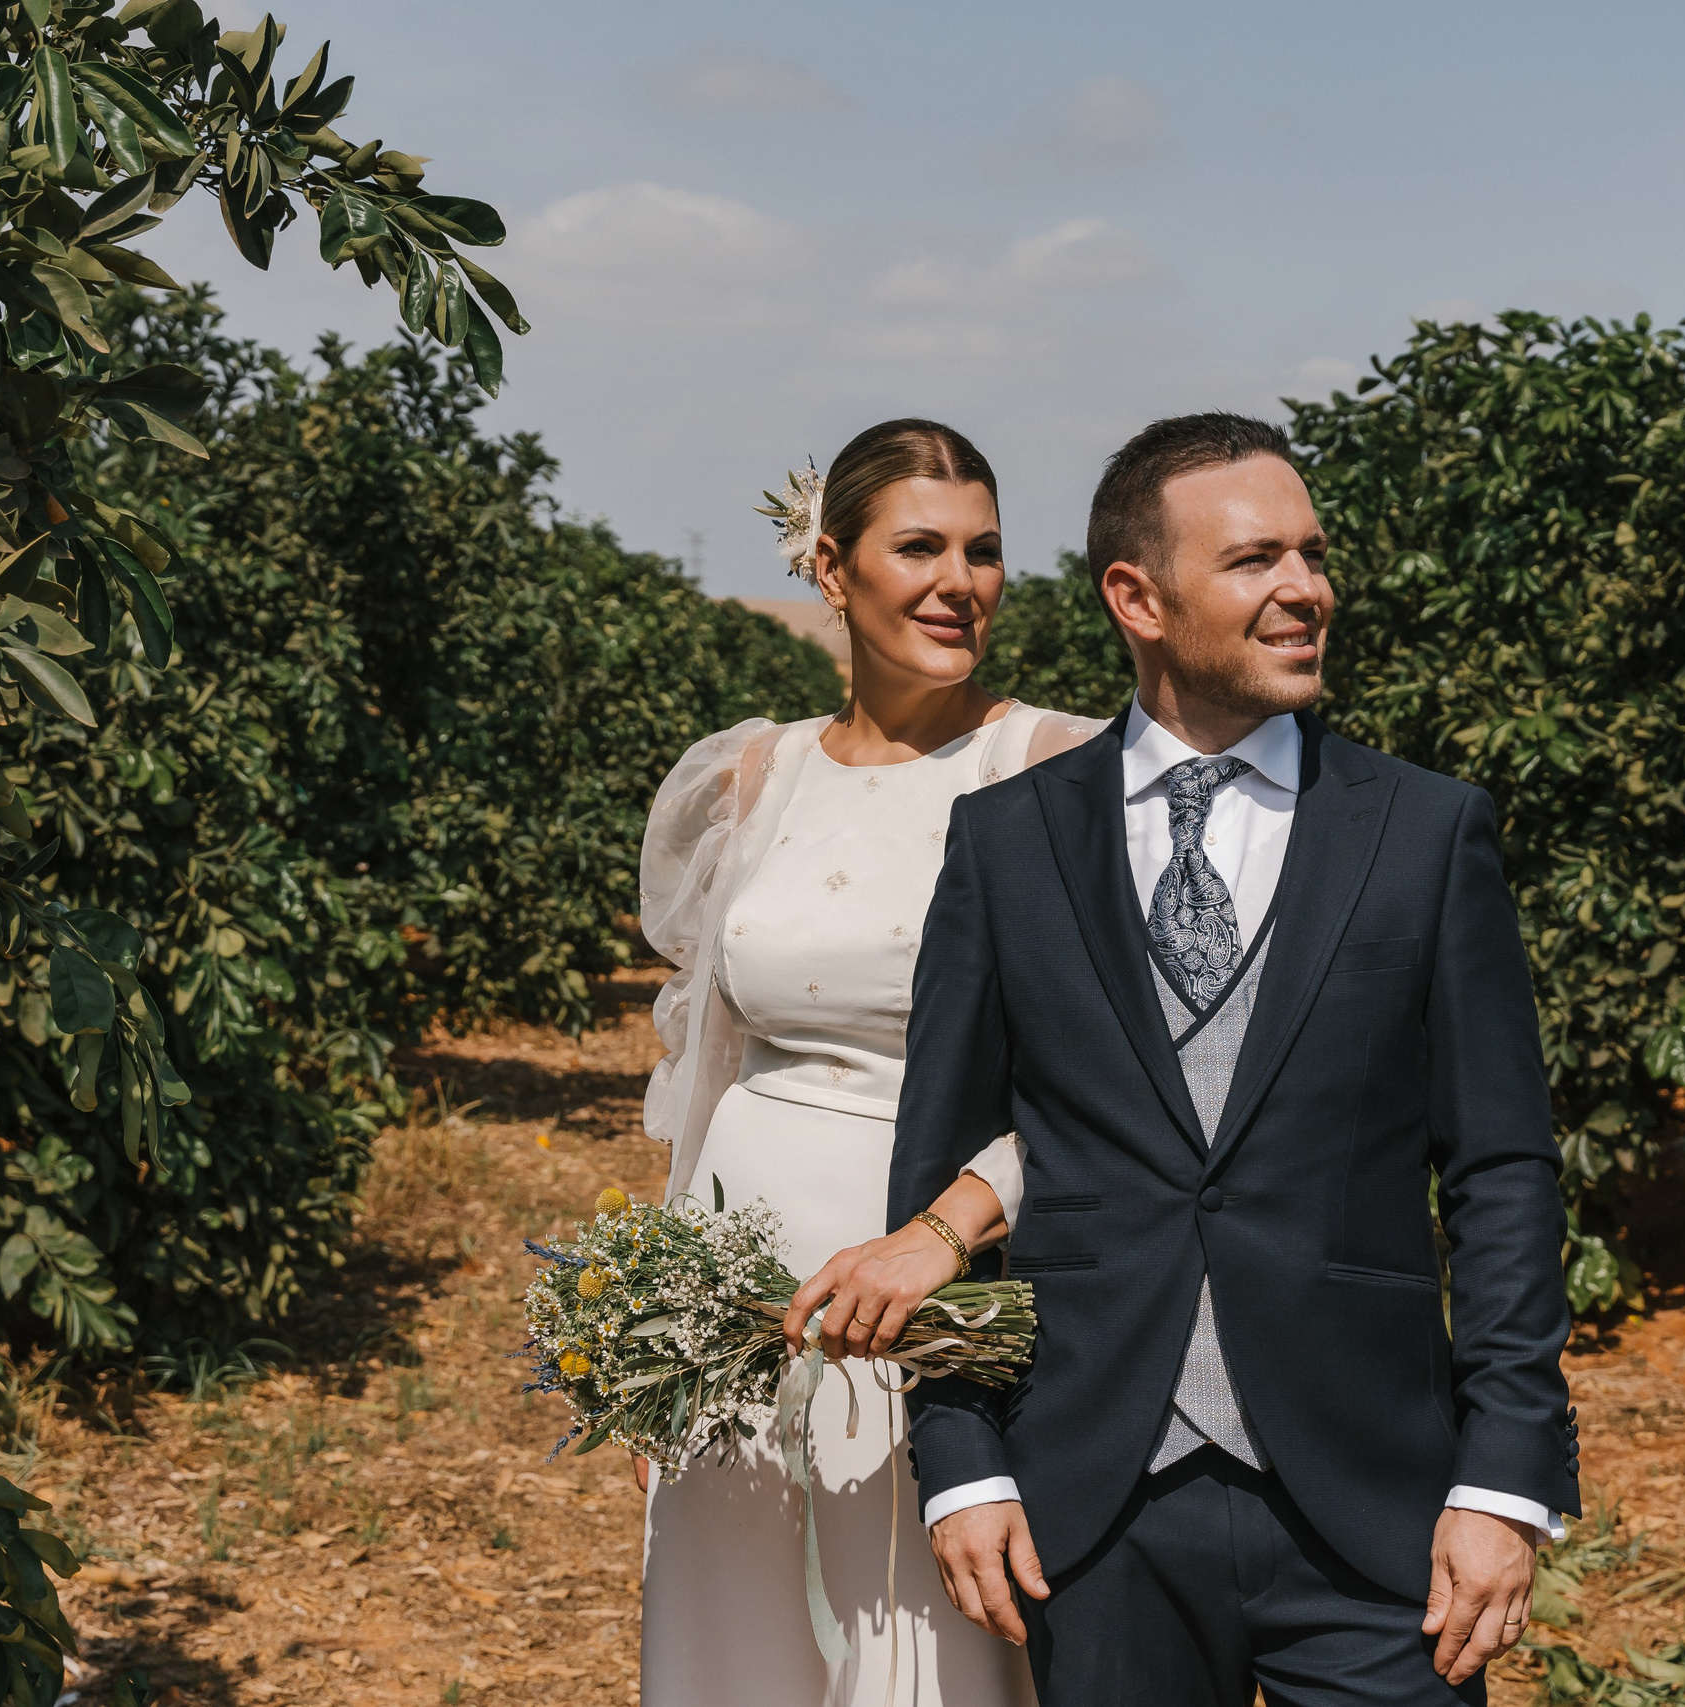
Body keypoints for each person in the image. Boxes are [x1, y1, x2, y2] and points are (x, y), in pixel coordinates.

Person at [791, 414, 1582, 1704]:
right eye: (1257, 560)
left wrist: (1504, 1476)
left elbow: (1501, 1171)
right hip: (1094, 1508)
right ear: (1137, 598)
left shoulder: (1428, 831)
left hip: (1380, 1514)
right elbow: (934, 1168)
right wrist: (964, 1461)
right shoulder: (1008, 844)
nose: (1307, 590)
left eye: (1313, 556)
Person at [634, 418, 1100, 1707]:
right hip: (738, 1264)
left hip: (934, 1262)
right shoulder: (750, 775)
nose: (962, 582)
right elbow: (710, 1056)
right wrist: (663, 1331)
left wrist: (950, 1236)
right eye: (920, 548)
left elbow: (1108, 1083)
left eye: (986, 551)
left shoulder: (1054, 765)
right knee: (732, 1630)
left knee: (925, 1634)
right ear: (833, 571)